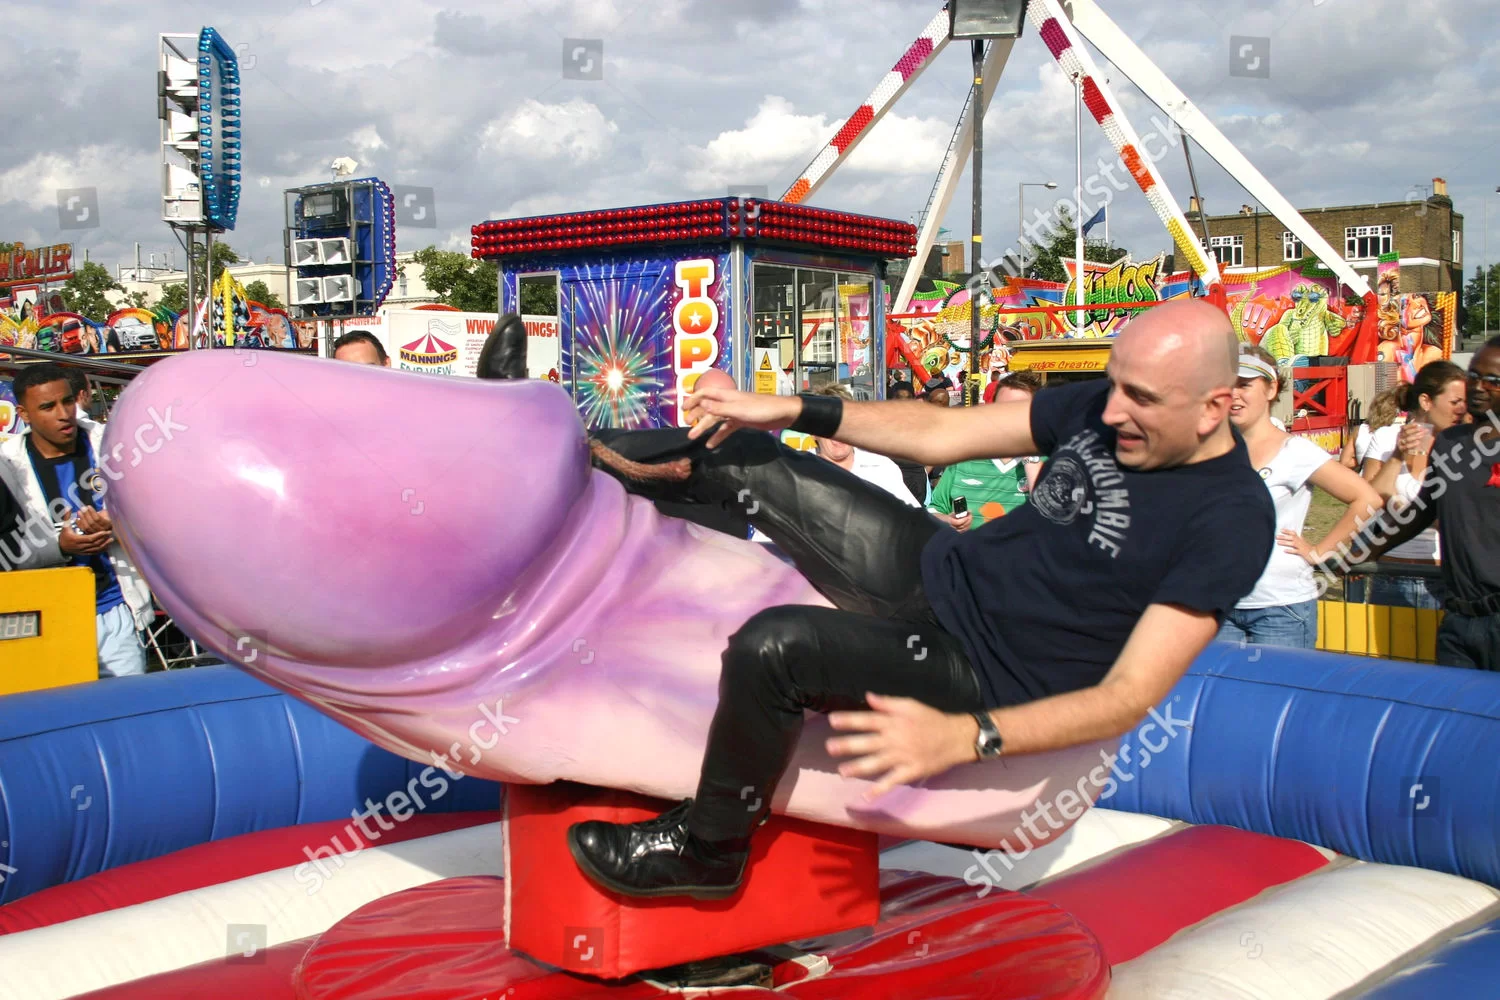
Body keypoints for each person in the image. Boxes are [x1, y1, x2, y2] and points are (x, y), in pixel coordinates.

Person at [567, 299, 1274, 899]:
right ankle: (557, 458)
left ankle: (708, 851)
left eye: (1142, 400)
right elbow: (941, 432)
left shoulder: (1231, 518)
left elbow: (1128, 695)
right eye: (1115, 385)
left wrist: (966, 737)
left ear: (1216, 407)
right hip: (936, 566)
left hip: (982, 669)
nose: (1114, 409)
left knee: (774, 648)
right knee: (738, 451)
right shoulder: (1108, 403)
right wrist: (788, 407)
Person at [1337, 336, 1500, 668]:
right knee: (1453, 715)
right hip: (1458, 619)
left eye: (1493, 380)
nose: (1478, 387)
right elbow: (1423, 509)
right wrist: (1363, 552)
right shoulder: (1450, 442)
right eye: (1473, 376)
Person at [1223, 345, 1382, 648]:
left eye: (1244, 385)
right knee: (1225, 696)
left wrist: (1319, 552)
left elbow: (1367, 499)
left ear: (1271, 389)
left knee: (1277, 696)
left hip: (1281, 608)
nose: (1234, 395)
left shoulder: (1295, 451)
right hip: (1219, 605)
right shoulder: (1210, 450)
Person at [0, 364, 154, 677]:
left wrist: (117, 526)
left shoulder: (114, 447)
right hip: (44, 618)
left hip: (113, 609)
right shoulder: (7, 466)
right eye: (47, 406)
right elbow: (7, 553)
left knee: (121, 715)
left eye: (67, 401)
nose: (63, 414)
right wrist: (61, 545)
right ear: (24, 413)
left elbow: (161, 521)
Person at [1360, 361, 1468, 610]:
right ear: (1426, 401)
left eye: (1465, 401)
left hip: (1441, 577)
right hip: (1391, 572)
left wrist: (1420, 514)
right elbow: (1368, 500)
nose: (1462, 410)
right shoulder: (1387, 437)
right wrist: (1398, 455)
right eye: (1455, 402)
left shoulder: (1462, 445)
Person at [928, 371, 1045, 531]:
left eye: (1019, 409)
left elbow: (1059, 522)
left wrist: (1031, 459)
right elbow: (933, 510)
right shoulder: (966, 458)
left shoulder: (1052, 462)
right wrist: (948, 521)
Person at [808, 384, 920, 506]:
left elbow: (914, 520)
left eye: (845, 422)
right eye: (829, 424)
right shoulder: (798, 471)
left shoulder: (882, 468)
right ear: (814, 432)